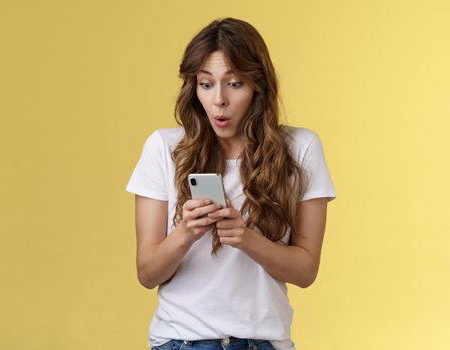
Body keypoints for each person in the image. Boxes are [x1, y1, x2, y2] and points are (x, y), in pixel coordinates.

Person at [126, 17, 337, 350]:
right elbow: (147, 274)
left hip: (263, 343)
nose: (219, 100)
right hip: (181, 342)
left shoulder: (301, 148)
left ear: (258, 86)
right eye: (206, 84)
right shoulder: (164, 148)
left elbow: (305, 271)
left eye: (235, 83)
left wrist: (246, 239)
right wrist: (185, 233)